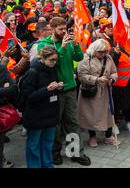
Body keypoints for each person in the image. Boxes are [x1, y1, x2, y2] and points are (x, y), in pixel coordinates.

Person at [37, 17, 91, 166]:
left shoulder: (68, 40)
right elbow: (50, 65)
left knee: (72, 122)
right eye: (60, 29)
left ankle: (75, 153)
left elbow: (79, 57)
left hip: (70, 88)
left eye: (65, 29)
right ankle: (55, 153)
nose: (63, 32)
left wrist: (76, 45)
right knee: (55, 124)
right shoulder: (44, 44)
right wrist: (62, 48)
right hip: (54, 90)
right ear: (52, 28)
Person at [21, 46, 64, 168]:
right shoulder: (32, 72)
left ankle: (48, 165)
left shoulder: (52, 69)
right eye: (51, 60)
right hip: (36, 115)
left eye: (55, 60)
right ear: (42, 58)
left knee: (48, 143)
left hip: (50, 114)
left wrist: (60, 87)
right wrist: (47, 89)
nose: (54, 62)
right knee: (34, 144)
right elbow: (29, 96)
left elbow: (53, 88)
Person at [77, 39, 120, 147]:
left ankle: (109, 136)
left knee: (109, 113)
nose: (103, 54)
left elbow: (114, 72)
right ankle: (92, 137)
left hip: (105, 91)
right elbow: (82, 76)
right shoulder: (86, 59)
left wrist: (112, 79)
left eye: (105, 51)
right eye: (100, 52)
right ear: (94, 50)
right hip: (92, 91)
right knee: (91, 114)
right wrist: (96, 79)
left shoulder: (109, 58)